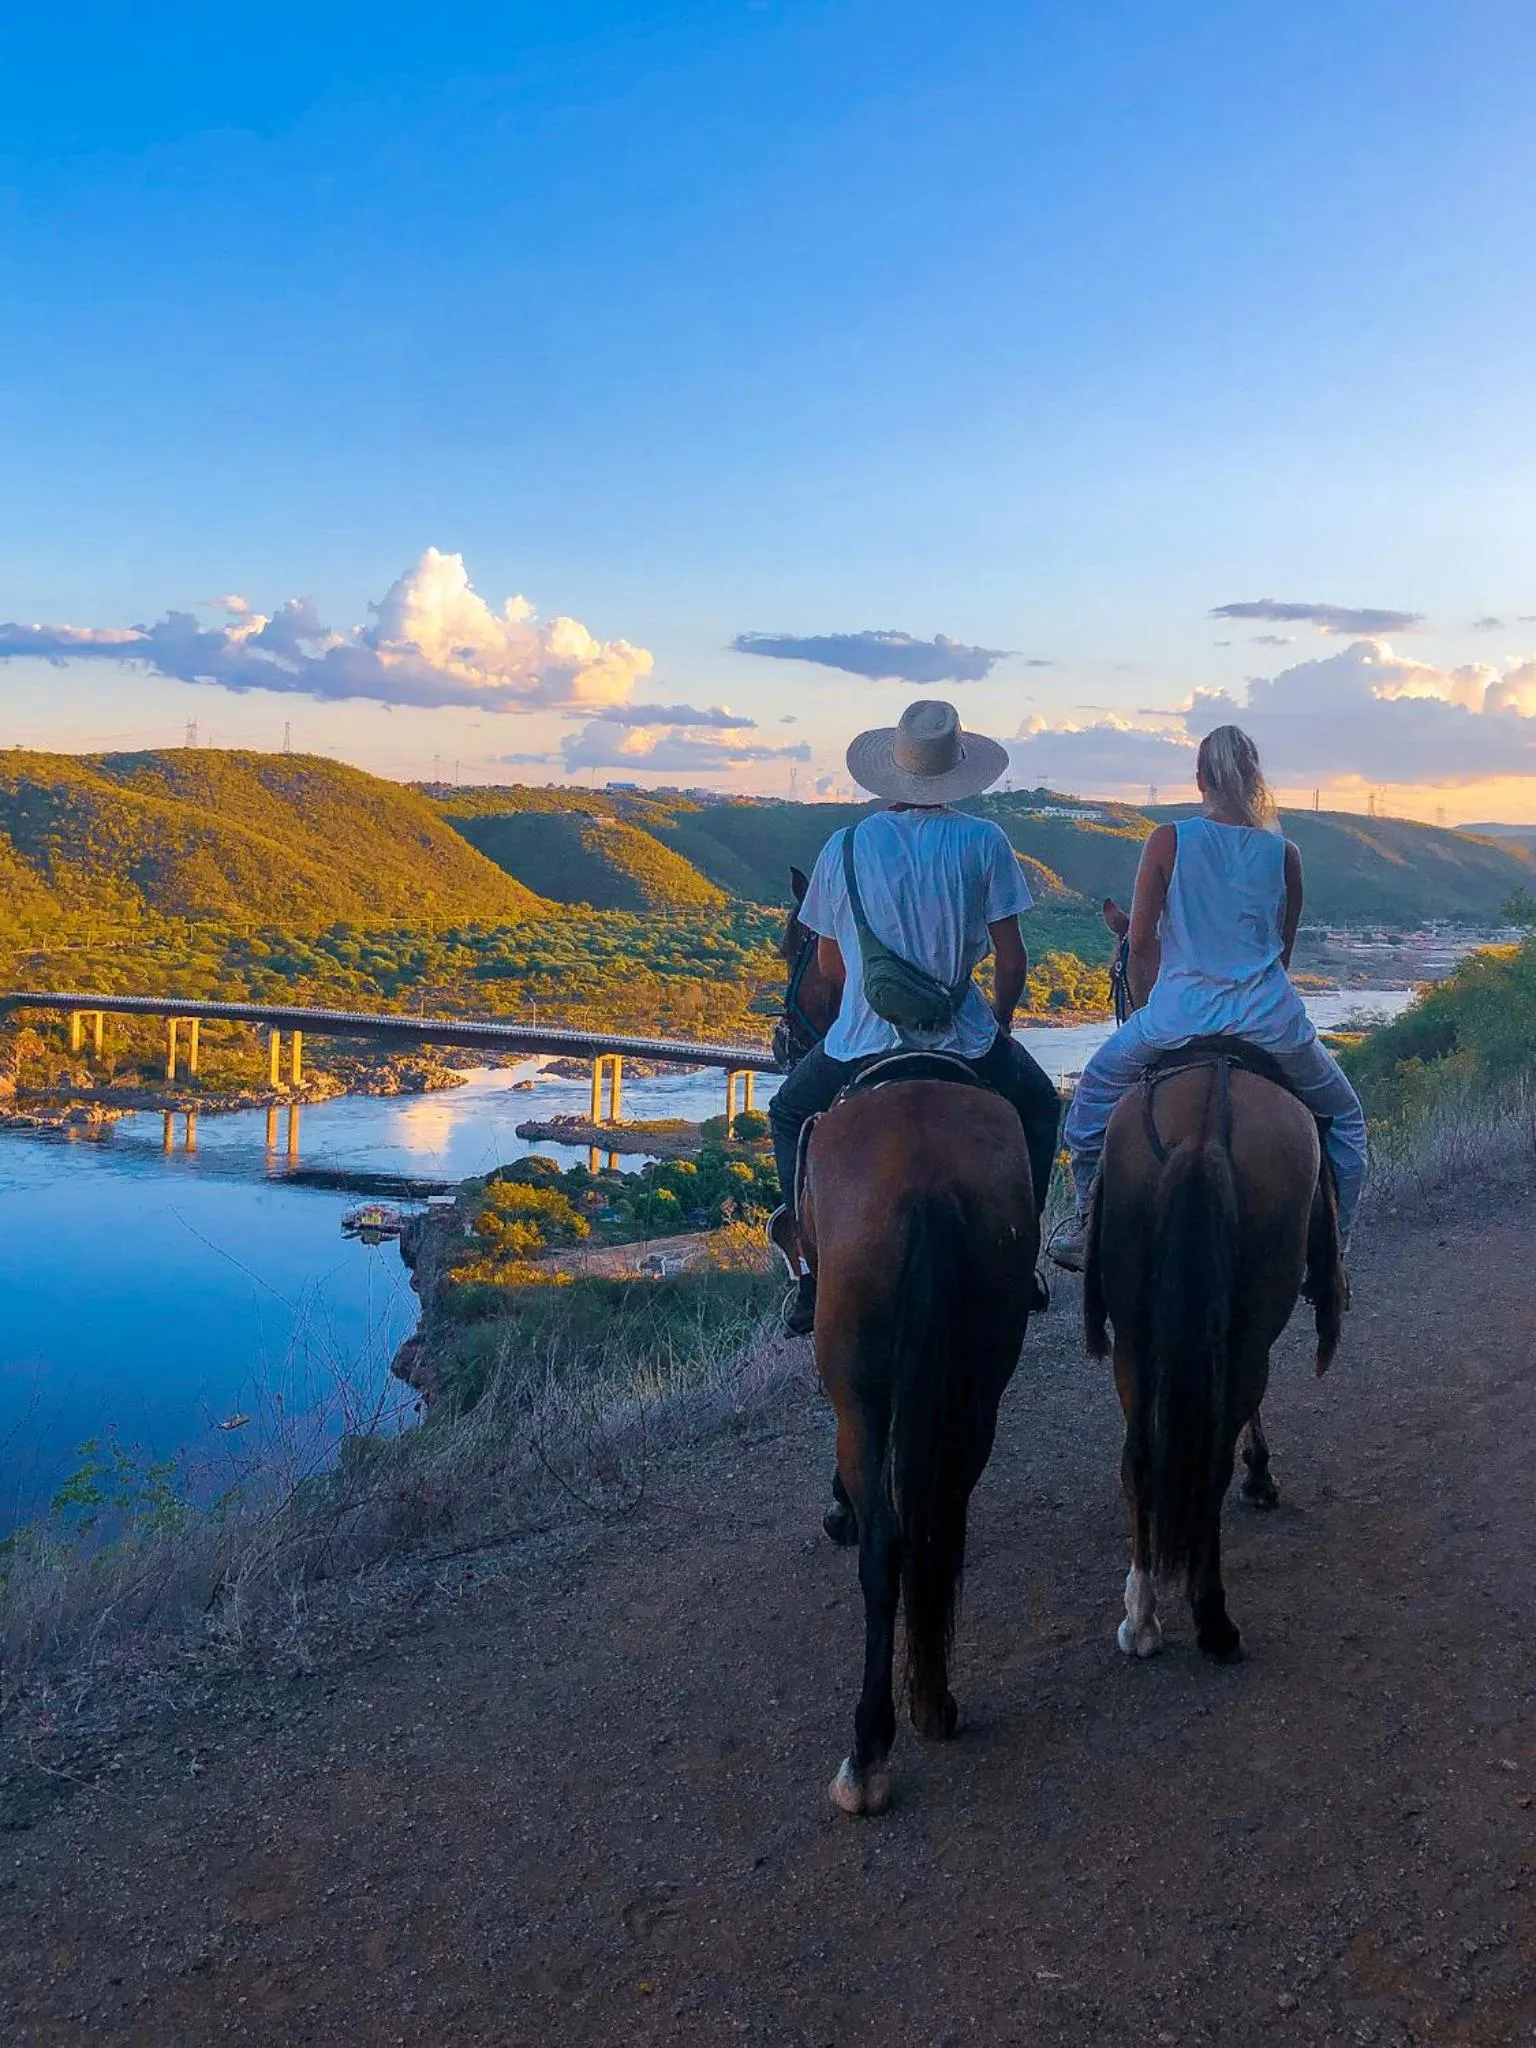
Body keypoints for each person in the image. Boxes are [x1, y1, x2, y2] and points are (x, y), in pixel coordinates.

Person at [768, 699, 1062, 1334]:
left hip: (862, 1041)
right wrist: (1000, 1024)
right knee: (1040, 1107)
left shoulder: (843, 846)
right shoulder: (985, 840)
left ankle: (809, 1274)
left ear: (890, 773)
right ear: (957, 771)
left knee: (788, 1112)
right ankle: (1024, 1258)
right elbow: (1012, 962)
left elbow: (831, 968)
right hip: (966, 1040)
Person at [1049, 723, 1367, 1271]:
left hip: (1179, 1016)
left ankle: (1086, 1220)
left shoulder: (1168, 840)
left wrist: (1153, 997)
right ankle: (1329, 1252)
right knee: (1348, 1122)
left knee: (1090, 1103)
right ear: (1254, 777)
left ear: (1198, 779)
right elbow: (1281, 953)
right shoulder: (1284, 853)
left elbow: (1142, 941)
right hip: (1271, 1022)